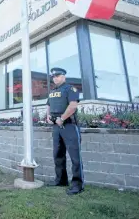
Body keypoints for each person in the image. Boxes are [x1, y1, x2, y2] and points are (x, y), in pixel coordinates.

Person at [45, 67, 84, 195]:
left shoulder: (70, 89)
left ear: (64, 76)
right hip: (56, 127)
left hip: (69, 126)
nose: (55, 78)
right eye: (53, 76)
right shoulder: (52, 91)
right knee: (58, 155)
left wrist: (62, 118)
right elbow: (48, 105)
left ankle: (77, 185)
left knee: (75, 157)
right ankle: (61, 180)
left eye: (57, 75)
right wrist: (48, 116)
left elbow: (73, 106)